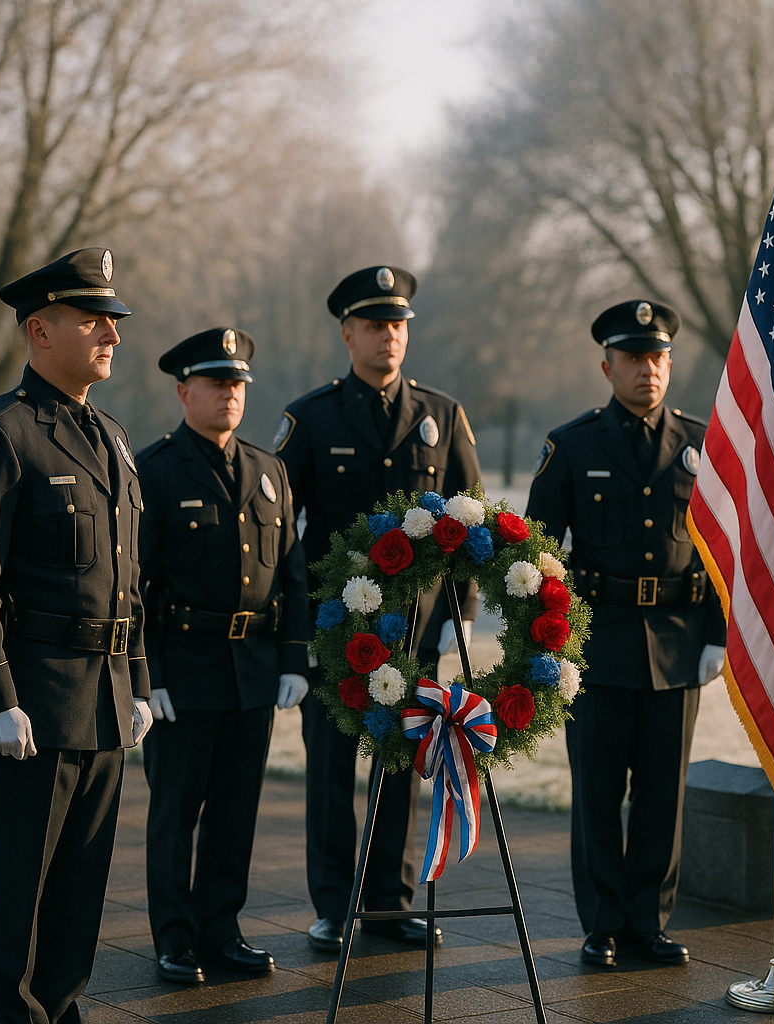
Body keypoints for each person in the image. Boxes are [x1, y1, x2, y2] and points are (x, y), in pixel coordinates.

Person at [0, 248, 153, 1023]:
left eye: (113, 322)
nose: (112, 335)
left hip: (102, 702)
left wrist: (139, 683)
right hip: (30, 703)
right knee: (14, 888)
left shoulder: (115, 439)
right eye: (92, 320)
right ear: (39, 328)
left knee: (79, 890)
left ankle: (61, 1012)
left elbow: (128, 578)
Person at [275, 265, 481, 952]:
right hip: (339, 633)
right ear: (348, 334)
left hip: (416, 627)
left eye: (398, 325)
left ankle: (389, 904)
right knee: (332, 773)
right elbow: (285, 531)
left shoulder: (441, 415)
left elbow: (470, 519)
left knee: (400, 767)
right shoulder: (311, 417)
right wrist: (299, 628)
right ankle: (335, 905)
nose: (389, 336)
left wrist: (465, 611)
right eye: (375, 325)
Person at [526, 299, 726, 969]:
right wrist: (548, 644)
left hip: (677, 642)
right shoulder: (573, 444)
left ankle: (648, 922)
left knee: (662, 797)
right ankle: (602, 925)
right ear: (606, 365)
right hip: (597, 646)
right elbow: (537, 554)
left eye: (659, 357)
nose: (649, 370)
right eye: (636, 358)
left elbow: (725, 551)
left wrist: (718, 636)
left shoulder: (703, 443)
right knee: (598, 794)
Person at [136, 327, 311, 984]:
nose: (229, 395)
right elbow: (135, 584)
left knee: (236, 811)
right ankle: (175, 938)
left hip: (253, 671)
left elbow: (292, 575)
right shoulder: (155, 470)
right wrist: (144, 674)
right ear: (184, 392)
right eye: (216, 383)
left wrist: (293, 659)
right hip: (183, 668)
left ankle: (221, 930)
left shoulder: (270, 471)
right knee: (176, 813)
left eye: (237, 384)